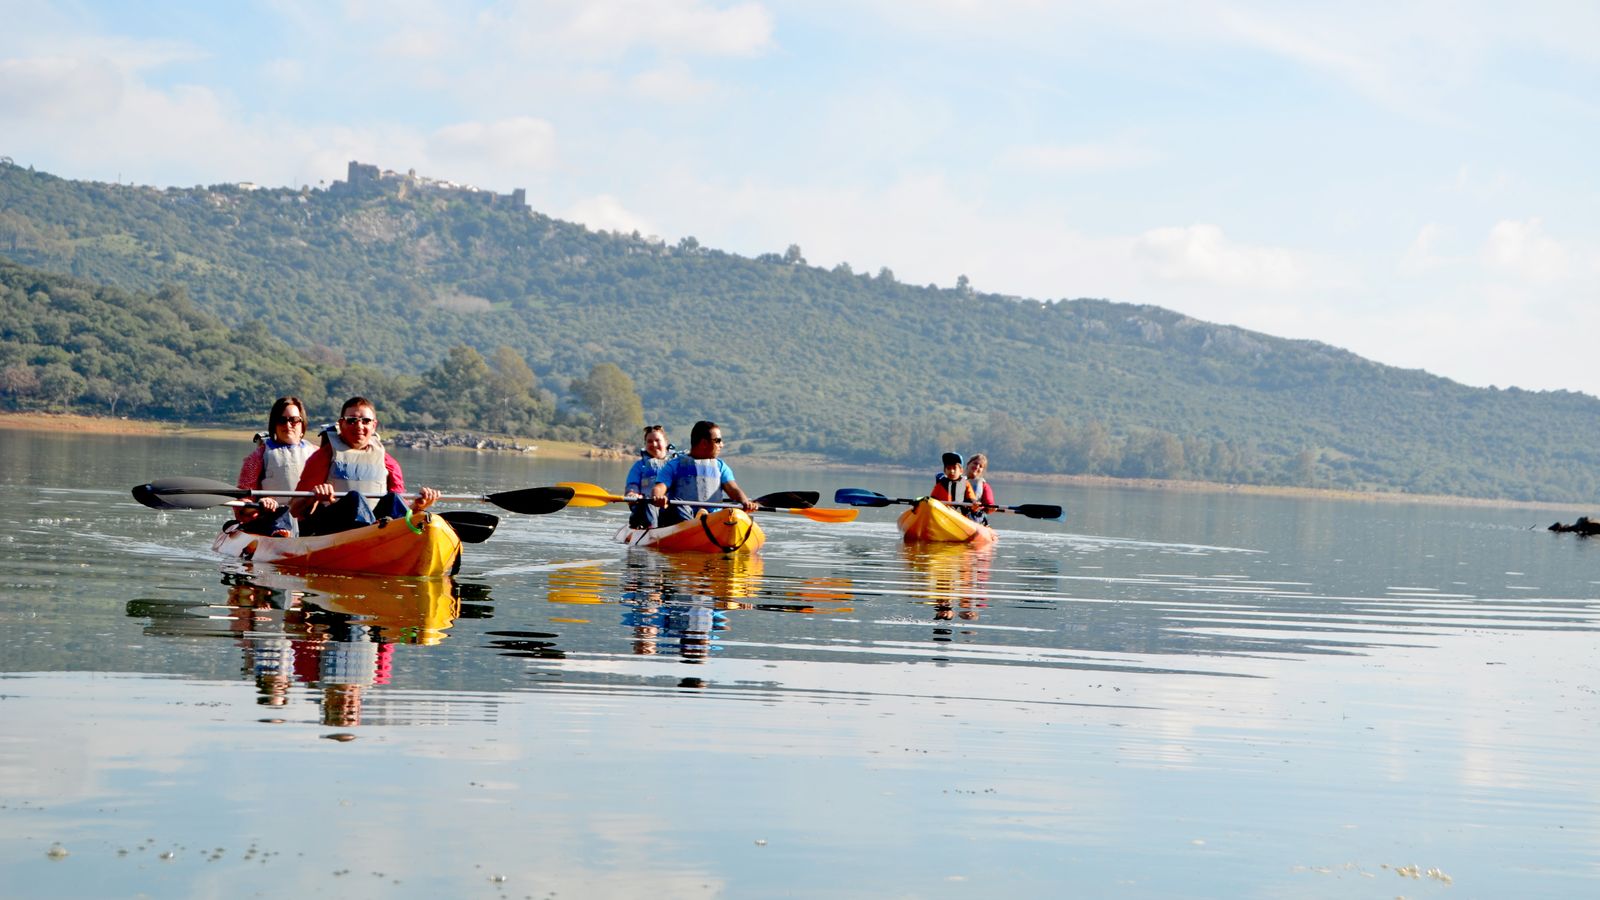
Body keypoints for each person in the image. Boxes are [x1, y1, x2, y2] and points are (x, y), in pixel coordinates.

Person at [289, 396, 439, 536]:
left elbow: (400, 510)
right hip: (333, 528)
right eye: (352, 420)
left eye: (365, 421)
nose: (359, 426)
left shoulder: (389, 463)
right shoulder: (322, 458)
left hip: (376, 530)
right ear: (341, 424)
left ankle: (386, 535)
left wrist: (419, 506)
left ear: (374, 425)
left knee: (394, 498)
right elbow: (294, 510)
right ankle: (371, 533)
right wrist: (313, 497)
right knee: (354, 498)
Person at [649, 420, 758, 527]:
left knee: (733, 510)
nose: (722, 445)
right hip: (682, 517)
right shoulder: (674, 465)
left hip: (712, 520)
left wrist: (745, 502)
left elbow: (733, 489)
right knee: (676, 505)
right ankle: (696, 524)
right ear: (704, 443)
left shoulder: (721, 467)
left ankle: (704, 523)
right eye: (718, 440)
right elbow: (660, 487)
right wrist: (657, 497)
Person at [234, 396, 314, 536]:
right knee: (282, 513)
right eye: (282, 420)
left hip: (307, 518)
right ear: (274, 425)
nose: (288, 425)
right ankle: (281, 536)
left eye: (294, 420)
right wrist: (260, 503)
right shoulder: (257, 457)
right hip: (272, 518)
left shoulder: (317, 454)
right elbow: (243, 502)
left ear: (302, 424)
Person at [623, 424, 675, 529]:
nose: (654, 444)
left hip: (670, 509)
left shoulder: (677, 464)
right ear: (645, 444)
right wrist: (632, 494)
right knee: (646, 504)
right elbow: (632, 486)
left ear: (666, 442)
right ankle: (651, 529)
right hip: (645, 509)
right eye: (650, 441)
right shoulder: (639, 466)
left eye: (657, 440)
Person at [964, 453, 996, 524]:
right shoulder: (957, 481)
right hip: (957, 514)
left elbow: (989, 506)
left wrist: (991, 508)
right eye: (975, 463)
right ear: (968, 464)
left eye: (980, 466)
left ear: (982, 470)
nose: (977, 467)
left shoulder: (984, 486)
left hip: (975, 517)